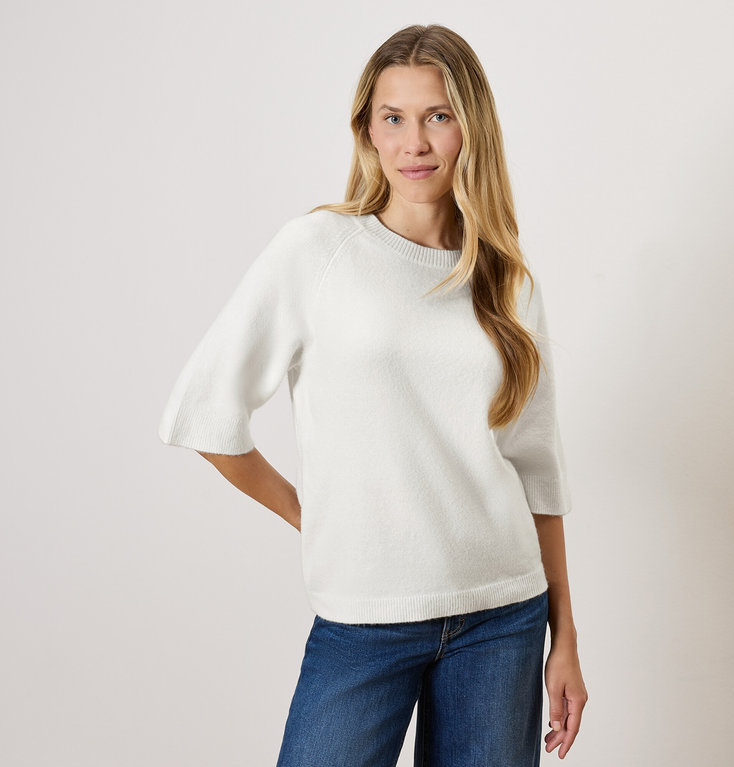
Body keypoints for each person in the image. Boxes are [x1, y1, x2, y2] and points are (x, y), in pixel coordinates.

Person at [157, 23, 587, 766]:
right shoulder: (317, 252)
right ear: (367, 130)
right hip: (364, 617)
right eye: (394, 117)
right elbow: (205, 414)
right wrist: (311, 513)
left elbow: (537, 470)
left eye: (438, 116)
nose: (415, 142)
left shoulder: (510, 283)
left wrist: (566, 637)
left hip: (503, 617)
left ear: (470, 127)